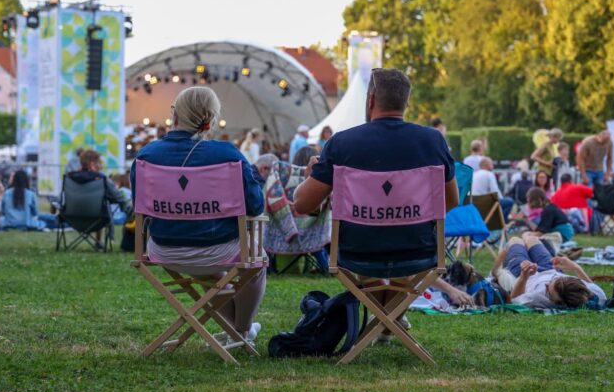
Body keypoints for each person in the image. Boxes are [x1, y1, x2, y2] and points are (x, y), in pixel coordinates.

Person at [294, 68, 463, 338]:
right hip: (417, 250)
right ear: (406, 103)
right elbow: (451, 200)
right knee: (397, 240)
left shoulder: (342, 143)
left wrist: (309, 176)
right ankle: (391, 319)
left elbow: (302, 205)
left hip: (356, 252)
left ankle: (387, 319)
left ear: (370, 100)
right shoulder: (432, 141)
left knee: (380, 241)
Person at [131, 86, 266, 345]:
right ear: (210, 120)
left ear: (174, 115)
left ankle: (236, 333)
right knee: (257, 261)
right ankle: (243, 331)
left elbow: (140, 205)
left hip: (164, 251)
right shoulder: (227, 155)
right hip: (218, 250)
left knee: (210, 276)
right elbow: (255, 206)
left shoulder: (146, 156)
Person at [500, 235, 606, 308]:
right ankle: (528, 236)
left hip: (524, 274)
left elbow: (514, 300)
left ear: (558, 303)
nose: (546, 284)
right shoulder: (594, 295)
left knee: (515, 240)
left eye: (548, 291)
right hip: (550, 268)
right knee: (531, 239)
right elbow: (595, 289)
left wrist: (524, 277)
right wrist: (576, 268)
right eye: (555, 281)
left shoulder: (538, 298)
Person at [67, 150, 132, 226]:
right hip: (98, 218)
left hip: (71, 218)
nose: (102, 166)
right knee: (129, 206)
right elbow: (119, 197)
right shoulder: (102, 179)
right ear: (92, 165)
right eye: (100, 163)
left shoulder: (70, 178)